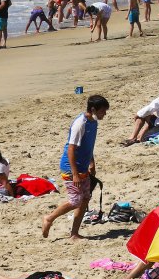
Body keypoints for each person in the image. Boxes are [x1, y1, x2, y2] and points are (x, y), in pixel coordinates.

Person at [42, 94, 109, 239]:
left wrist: (91, 163)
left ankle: (74, 233)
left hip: (83, 167)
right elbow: (71, 149)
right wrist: (75, 174)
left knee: (85, 198)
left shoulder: (93, 122)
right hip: (70, 168)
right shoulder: (80, 124)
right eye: (102, 111)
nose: (104, 114)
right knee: (75, 201)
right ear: (93, 109)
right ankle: (49, 218)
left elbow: (88, 145)